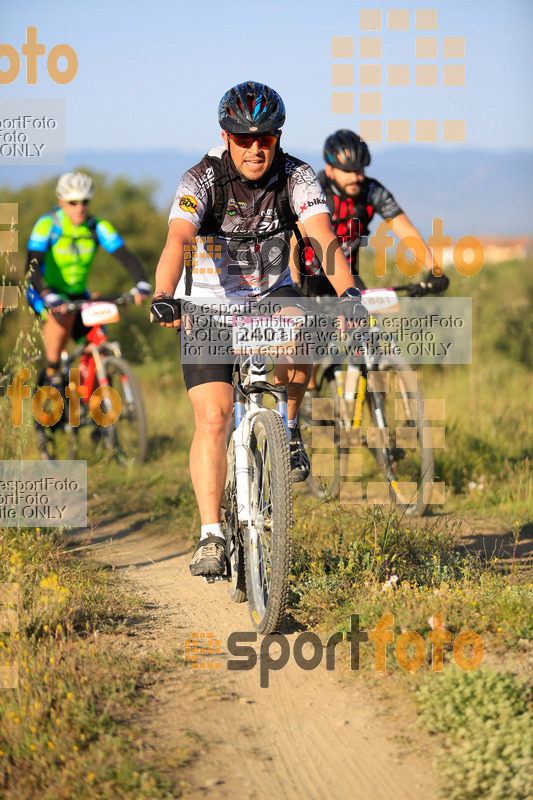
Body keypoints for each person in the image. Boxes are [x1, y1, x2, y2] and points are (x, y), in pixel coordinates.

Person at [150, 81, 367, 578]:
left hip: (269, 296)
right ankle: (211, 535)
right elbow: (177, 239)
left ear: (278, 136)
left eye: (264, 138)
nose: (254, 148)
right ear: (225, 136)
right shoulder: (200, 179)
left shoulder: (298, 176)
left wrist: (349, 293)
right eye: (243, 138)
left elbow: (322, 236)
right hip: (207, 305)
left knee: (303, 328)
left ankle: (288, 430)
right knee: (214, 416)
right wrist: (163, 296)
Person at [293, 129, 449, 393]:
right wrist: (294, 284)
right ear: (330, 170)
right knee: (316, 343)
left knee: (369, 331)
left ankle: (372, 411)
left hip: (347, 275)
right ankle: (309, 390)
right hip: (310, 277)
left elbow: (405, 231)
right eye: (348, 170)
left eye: (360, 169)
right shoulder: (314, 191)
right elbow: (296, 239)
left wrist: (433, 270)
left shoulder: (372, 191)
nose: (356, 176)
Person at [26, 171, 151, 388]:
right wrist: (46, 294)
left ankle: (93, 390)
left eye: (84, 201)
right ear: (61, 202)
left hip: (78, 293)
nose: (80, 207)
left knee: (98, 334)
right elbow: (31, 266)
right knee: (62, 315)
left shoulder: (97, 227)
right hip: (44, 290)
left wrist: (141, 282)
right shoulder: (48, 225)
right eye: (73, 202)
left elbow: (126, 256)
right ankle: (53, 368)